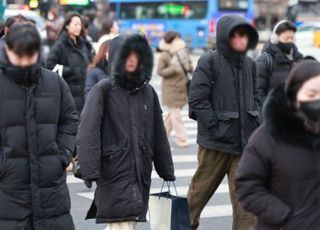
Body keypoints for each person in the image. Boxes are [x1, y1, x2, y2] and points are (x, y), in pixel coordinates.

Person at [76, 34, 175, 230]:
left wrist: (166, 169)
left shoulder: (148, 92)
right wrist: (89, 170)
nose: (131, 60)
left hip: (140, 172)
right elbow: (88, 131)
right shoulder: (103, 89)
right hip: (113, 172)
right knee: (122, 224)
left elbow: (159, 134)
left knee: (127, 222)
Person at [0, 23, 78, 229]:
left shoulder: (54, 83)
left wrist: (62, 154)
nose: (25, 62)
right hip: (8, 190)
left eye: (30, 55)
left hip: (51, 189)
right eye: (20, 55)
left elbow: (69, 118)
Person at [187, 15, 260, 230]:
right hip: (215, 144)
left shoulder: (249, 63)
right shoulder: (209, 60)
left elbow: (256, 96)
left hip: (243, 144)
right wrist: (215, 127)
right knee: (197, 195)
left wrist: (257, 121)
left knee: (245, 199)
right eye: (236, 35)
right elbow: (197, 99)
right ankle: (183, 225)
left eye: (244, 35)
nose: (241, 40)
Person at [236, 60, 320, 229]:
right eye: (312, 95)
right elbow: (247, 186)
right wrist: (285, 217)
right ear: (293, 96)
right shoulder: (267, 136)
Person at [47, 12, 91, 113]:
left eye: (80, 24)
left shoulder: (83, 44)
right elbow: (50, 65)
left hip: (84, 92)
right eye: (75, 24)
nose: (78, 27)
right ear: (67, 25)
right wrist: (70, 71)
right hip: (69, 94)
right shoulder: (60, 45)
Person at [157, 31, 193, 148]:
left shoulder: (183, 52)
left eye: (179, 38)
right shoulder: (166, 55)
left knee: (171, 116)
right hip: (170, 89)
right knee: (176, 115)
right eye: (176, 39)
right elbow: (160, 71)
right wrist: (173, 67)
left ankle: (160, 136)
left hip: (182, 88)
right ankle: (182, 139)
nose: (178, 41)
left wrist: (190, 66)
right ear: (170, 40)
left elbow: (189, 66)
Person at [257, 20, 303, 105]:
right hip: (273, 115)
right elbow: (257, 94)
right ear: (275, 39)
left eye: (292, 38)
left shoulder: (299, 60)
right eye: (286, 38)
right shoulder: (264, 61)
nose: (290, 41)